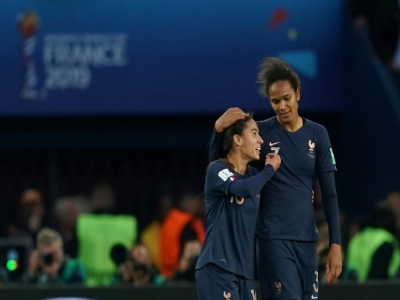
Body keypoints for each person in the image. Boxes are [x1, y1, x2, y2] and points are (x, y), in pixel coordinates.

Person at [209, 57, 342, 300]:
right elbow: (224, 163)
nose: (281, 106)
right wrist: (218, 130)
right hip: (273, 238)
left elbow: (330, 193)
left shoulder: (318, 134)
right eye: (275, 101)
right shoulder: (260, 132)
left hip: (307, 239)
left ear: (298, 94)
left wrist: (336, 243)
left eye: (286, 98)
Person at [196, 113, 281, 300]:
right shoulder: (217, 170)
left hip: (245, 274)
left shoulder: (253, 175)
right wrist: (270, 168)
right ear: (238, 139)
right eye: (254, 134)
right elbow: (242, 189)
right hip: (217, 267)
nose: (260, 140)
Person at [346, 201, 400, 281]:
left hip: (350, 289)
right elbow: (377, 275)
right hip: (375, 291)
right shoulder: (386, 241)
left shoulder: (357, 237)